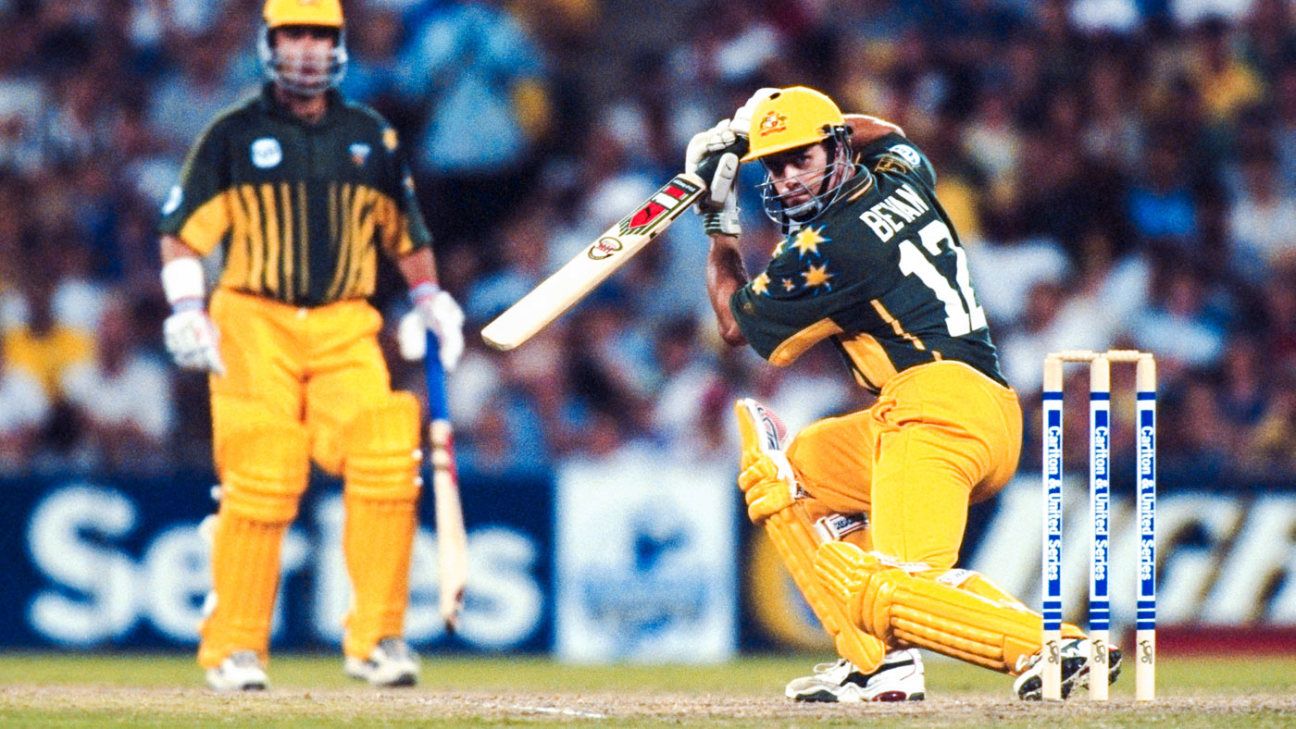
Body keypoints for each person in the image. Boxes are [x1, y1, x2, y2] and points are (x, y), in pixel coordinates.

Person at [689, 86, 1120, 702]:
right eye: (775, 166)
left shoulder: (829, 246)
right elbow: (886, 131)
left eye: (800, 159)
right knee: (798, 472)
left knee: (900, 585)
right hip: (961, 405)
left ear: (837, 148)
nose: (787, 180)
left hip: (936, 411)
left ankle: (1055, 646)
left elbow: (734, 326)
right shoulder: (900, 175)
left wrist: (719, 224)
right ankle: (881, 664)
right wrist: (755, 129)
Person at [157, 0, 464, 692]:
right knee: (264, 463)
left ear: (338, 45)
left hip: (345, 323)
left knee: (387, 446)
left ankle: (377, 638)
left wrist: (429, 300)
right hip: (252, 319)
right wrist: (186, 306)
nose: (306, 48)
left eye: (320, 35)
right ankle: (234, 645)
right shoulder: (233, 133)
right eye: (293, 34)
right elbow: (181, 233)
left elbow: (407, 233)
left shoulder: (370, 134)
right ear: (270, 43)